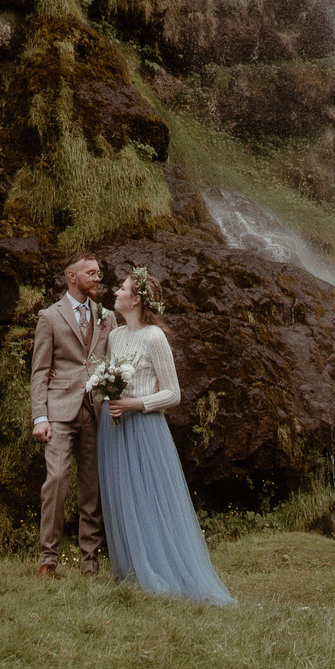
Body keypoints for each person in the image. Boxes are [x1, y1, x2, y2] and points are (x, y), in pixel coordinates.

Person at [97, 267, 235, 605]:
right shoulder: (115, 335)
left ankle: (160, 571)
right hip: (114, 426)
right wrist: (107, 394)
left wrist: (134, 403)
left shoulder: (154, 338)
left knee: (150, 499)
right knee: (123, 495)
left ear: (138, 298)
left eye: (123, 289)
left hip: (144, 428)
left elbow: (173, 393)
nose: (116, 292)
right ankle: (131, 571)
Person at [29, 254, 108, 576]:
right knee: (57, 480)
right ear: (71, 277)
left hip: (96, 411)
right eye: (91, 273)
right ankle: (48, 558)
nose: (97, 278)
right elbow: (39, 371)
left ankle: (90, 562)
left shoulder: (107, 317)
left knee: (92, 488)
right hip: (59, 411)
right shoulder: (50, 317)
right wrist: (40, 417)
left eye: (99, 273)